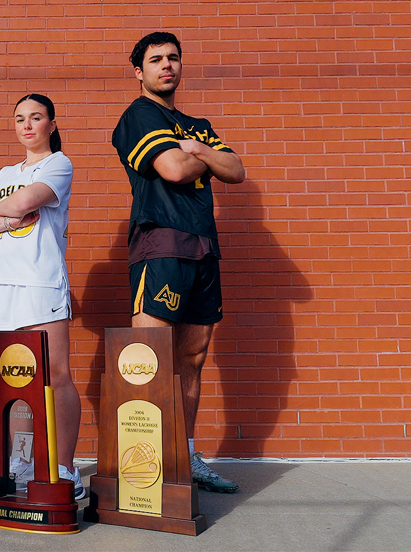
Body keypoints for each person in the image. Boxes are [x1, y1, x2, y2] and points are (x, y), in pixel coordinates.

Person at [112, 32, 246, 493]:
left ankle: (186, 456)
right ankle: (142, 468)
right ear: (140, 72)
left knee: (193, 356)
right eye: (155, 60)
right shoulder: (138, 115)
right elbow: (171, 169)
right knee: (147, 357)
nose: (166, 65)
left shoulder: (196, 124)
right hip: (162, 244)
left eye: (173, 58)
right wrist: (198, 158)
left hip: (204, 247)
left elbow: (236, 170)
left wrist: (200, 151)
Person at [0, 94, 85, 500]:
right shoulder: (5, 171)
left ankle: (64, 467)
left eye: (36, 117)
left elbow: (22, 202)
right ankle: (21, 460)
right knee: (13, 378)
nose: (27, 125)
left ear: (51, 123)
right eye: (20, 118)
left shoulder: (58, 164)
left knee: (54, 375)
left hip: (40, 281)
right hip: (0, 283)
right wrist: (10, 218)